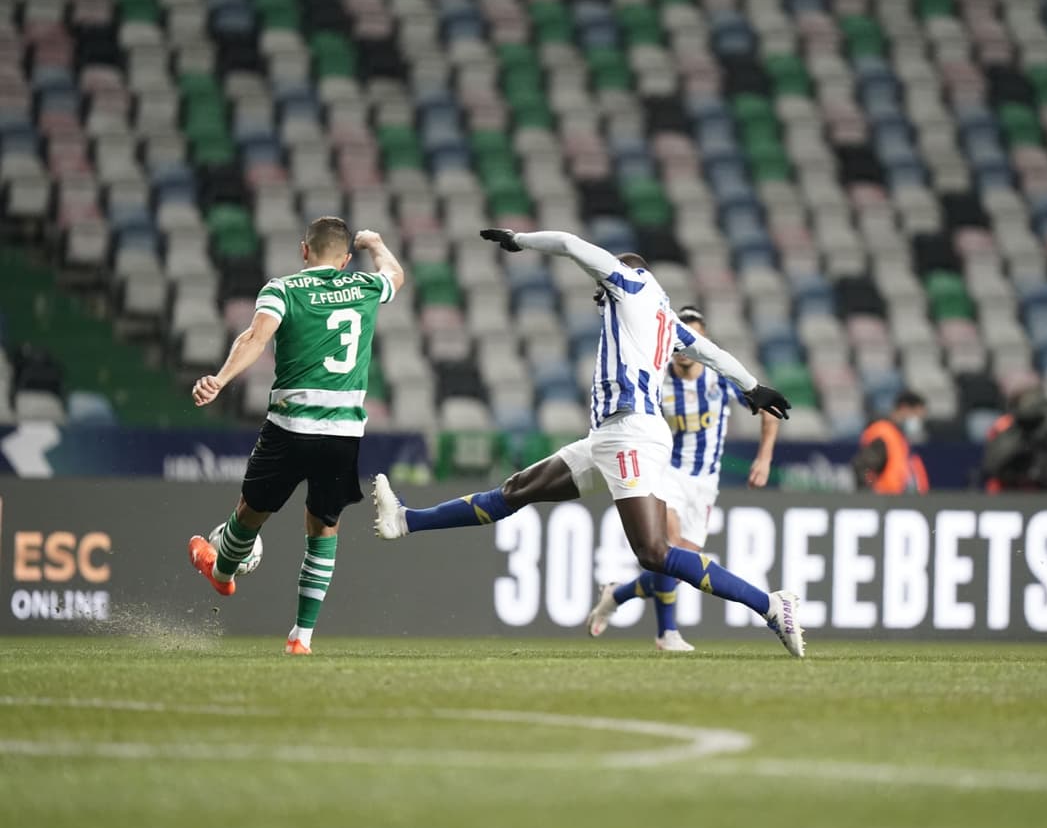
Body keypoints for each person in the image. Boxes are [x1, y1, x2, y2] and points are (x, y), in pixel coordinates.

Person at [372, 228, 806, 657]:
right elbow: (711, 353)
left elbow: (569, 244)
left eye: (602, 289)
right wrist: (753, 386)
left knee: (655, 552)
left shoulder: (630, 285)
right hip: (609, 437)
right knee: (514, 492)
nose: (600, 296)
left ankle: (770, 606)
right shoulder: (665, 317)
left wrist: (519, 240)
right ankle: (406, 520)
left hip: (632, 434)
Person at [185, 217, 405, 655]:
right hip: (343, 432)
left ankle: (223, 573)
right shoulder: (363, 286)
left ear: (304, 251)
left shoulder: (282, 289)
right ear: (344, 260)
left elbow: (255, 338)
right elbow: (395, 274)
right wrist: (376, 243)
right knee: (324, 528)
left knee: (249, 513)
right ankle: (300, 638)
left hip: (290, 426)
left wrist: (221, 378)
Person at [584, 304, 779, 652]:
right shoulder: (657, 377)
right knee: (668, 547)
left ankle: (618, 594)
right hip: (665, 470)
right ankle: (667, 633)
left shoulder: (719, 378)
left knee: (677, 566)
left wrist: (764, 458)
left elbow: (767, 409)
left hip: (704, 481)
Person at [853, 390, 929, 494]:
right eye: (916, 415)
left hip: (897, 503)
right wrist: (870, 492)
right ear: (904, 409)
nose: (918, 422)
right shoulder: (884, 433)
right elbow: (863, 467)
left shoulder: (899, 437)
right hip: (885, 503)